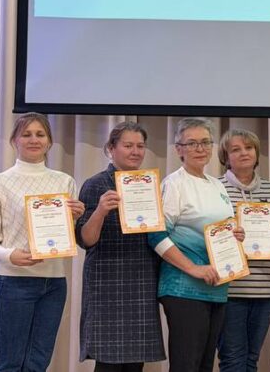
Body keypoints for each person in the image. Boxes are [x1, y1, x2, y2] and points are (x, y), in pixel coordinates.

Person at [0, 112, 86, 371]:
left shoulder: (65, 181)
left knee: (38, 364)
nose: (34, 140)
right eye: (26, 134)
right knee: (10, 364)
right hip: (12, 282)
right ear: (14, 140)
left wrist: (75, 217)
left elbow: (66, 235)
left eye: (40, 134)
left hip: (54, 284)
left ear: (49, 141)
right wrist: (9, 255)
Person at [148, 117, 242, 372]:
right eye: (191, 143)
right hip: (183, 289)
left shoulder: (216, 185)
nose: (200, 148)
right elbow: (156, 236)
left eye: (205, 142)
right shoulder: (174, 184)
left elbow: (217, 230)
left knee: (204, 366)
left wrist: (235, 235)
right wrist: (193, 268)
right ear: (179, 149)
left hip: (216, 288)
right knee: (186, 365)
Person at [76, 121, 165, 371]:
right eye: (128, 145)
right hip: (107, 283)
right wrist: (100, 211)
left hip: (142, 280)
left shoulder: (150, 185)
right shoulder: (95, 184)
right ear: (111, 148)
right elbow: (85, 240)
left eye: (140, 146)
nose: (135, 151)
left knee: (135, 364)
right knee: (108, 363)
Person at [216, 128, 270, 372]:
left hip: (266, 288)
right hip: (230, 288)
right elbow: (206, 234)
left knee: (251, 358)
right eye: (235, 149)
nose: (244, 153)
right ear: (226, 156)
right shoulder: (215, 189)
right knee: (232, 358)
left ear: (257, 153)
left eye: (248, 148)